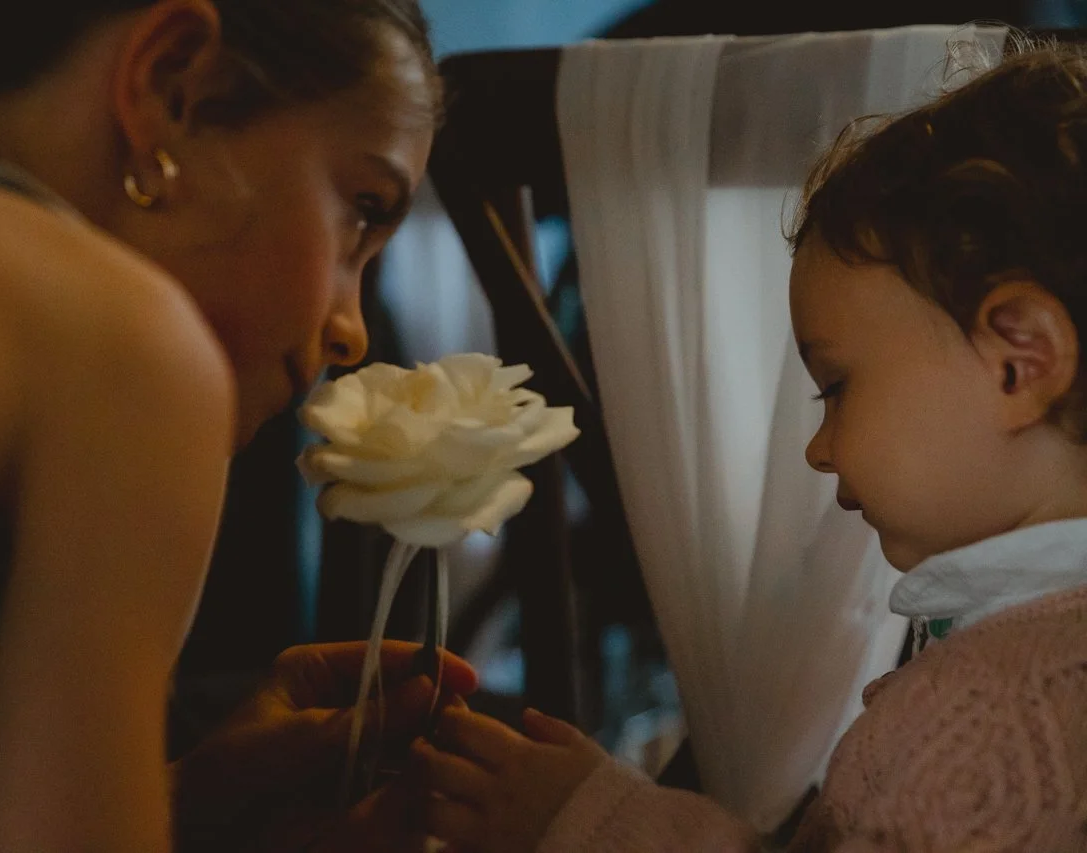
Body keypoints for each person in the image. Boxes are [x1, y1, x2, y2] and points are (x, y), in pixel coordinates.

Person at [0, 1, 481, 851]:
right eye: (361, 207)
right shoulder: (124, 351)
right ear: (173, 87)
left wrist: (184, 801)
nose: (354, 331)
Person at [413, 35, 1087, 853]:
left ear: (1021, 360)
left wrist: (595, 823)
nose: (819, 449)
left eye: (836, 386)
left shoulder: (1001, 711)